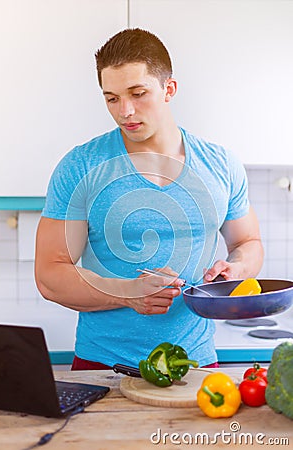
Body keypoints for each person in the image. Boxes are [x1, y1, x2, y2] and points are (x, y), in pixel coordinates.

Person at [35, 28, 264, 371]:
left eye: (138, 93)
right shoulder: (81, 166)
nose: (125, 110)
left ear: (169, 88)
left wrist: (237, 268)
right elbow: (49, 275)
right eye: (111, 98)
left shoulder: (221, 164)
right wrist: (128, 293)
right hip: (105, 366)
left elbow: (248, 241)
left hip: (197, 365)